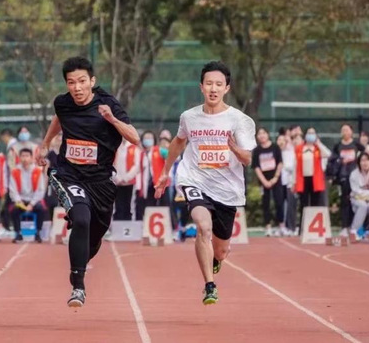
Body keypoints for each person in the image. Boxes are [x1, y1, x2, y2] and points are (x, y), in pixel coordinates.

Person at [37, 56, 139, 308]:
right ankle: (78, 287)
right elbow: (59, 119)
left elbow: (134, 137)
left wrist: (112, 120)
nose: (77, 87)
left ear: (92, 81)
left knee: (93, 239)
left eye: (82, 81)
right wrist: (45, 143)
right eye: (71, 82)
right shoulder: (63, 103)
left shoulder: (108, 104)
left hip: (101, 181)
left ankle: (80, 260)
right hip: (69, 174)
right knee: (81, 218)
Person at [154, 61, 256, 305]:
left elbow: (247, 159)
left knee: (221, 250)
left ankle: (216, 259)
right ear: (201, 87)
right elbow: (178, 142)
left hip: (227, 189)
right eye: (209, 83)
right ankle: (210, 285)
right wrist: (166, 172)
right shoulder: (189, 117)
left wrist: (234, 148)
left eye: (218, 84)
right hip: (194, 180)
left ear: (226, 88)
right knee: (203, 226)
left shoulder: (238, 120)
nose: (213, 88)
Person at [329, 124, 365, 237]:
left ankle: (357, 227)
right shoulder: (337, 146)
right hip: (343, 178)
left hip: (356, 178)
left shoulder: (356, 145)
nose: (344, 132)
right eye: (343, 130)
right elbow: (332, 160)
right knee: (345, 201)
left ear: (351, 132)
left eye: (347, 130)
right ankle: (345, 226)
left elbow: (365, 155)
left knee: (357, 201)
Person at [293, 127, 331, 225]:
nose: (311, 135)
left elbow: (328, 154)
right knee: (303, 204)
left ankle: (314, 225)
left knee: (315, 203)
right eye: (309, 133)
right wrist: (293, 181)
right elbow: (295, 165)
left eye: (313, 133)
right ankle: (302, 226)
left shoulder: (317, 148)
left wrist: (318, 143)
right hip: (303, 179)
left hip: (315, 179)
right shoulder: (299, 148)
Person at [252, 127, 285, 236]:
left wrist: (275, 178)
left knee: (279, 202)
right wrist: (264, 181)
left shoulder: (275, 147)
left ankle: (281, 226)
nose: (262, 135)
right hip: (264, 181)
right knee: (265, 204)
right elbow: (256, 167)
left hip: (276, 180)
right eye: (259, 134)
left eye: (263, 133)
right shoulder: (257, 150)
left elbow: (280, 163)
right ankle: (268, 227)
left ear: (268, 134)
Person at [10, 148, 46, 243]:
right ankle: (18, 233)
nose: (25, 159)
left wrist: (32, 204)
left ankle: (38, 233)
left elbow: (40, 190)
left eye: (27, 156)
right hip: (20, 200)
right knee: (13, 210)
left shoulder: (37, 171)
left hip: (33, 200)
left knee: (41, 209)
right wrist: (19, 201)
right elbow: (13, 190)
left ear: (31, 158)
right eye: (23, 156)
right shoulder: (15, 172)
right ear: (19, 158)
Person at [112, 138, 140, 221]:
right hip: (117, 181)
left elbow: (136, 166)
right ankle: (117, 222)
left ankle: (129, 222)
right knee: (117, 205)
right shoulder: (115, 147)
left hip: (129, 182)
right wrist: (116, 177)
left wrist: (125, 178)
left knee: (129, 204)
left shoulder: (134, 148)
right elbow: (111, 164)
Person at [277, 134, 297, 234]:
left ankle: (291, 227)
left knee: (290, 205)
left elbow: (292, 167)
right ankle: (281, 226)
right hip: (278, 182)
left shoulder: (290, 153)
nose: (281, 142)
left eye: (283, 140)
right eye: (279, 140)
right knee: (280, 204)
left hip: (289, 182)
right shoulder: (276, 153)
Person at [349, 152, 369, 238]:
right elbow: (356, 190)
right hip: (357, 199)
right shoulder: (354, 174)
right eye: (362, 160)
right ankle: (354, 230)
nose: (365, 163)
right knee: (363, 205)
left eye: (367, 160)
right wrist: (366, 195)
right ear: (359, 163)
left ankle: (367, 231)